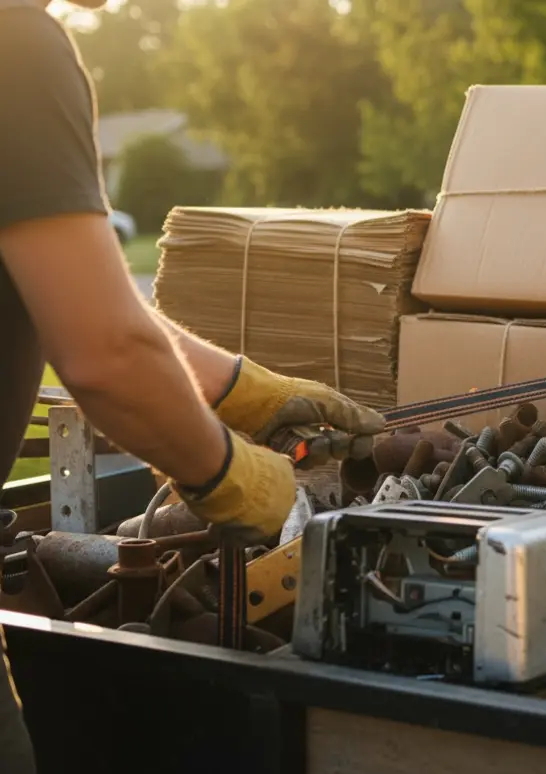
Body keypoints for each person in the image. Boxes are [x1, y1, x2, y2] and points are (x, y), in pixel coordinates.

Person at [0, 2, 386, 769]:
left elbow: (72, 298)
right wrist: (242, 481)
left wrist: (244, 390)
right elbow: (105, 352)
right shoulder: (13, 46)